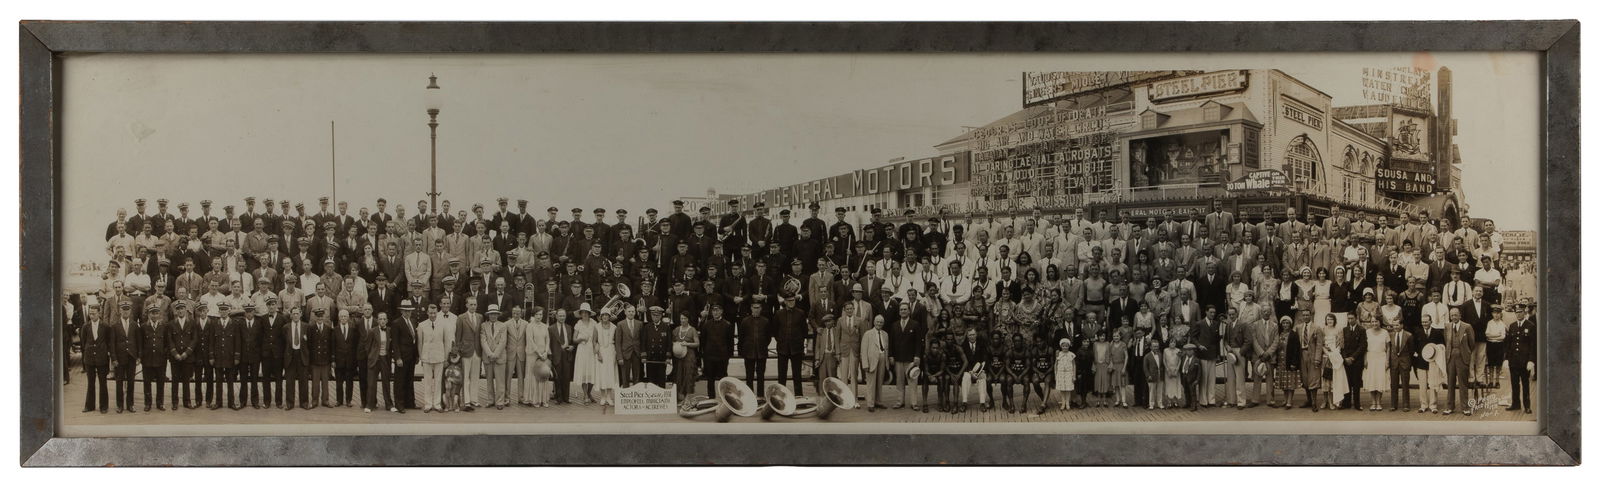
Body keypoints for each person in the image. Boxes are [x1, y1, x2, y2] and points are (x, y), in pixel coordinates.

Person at [416, 303, 452, 412]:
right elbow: (420, 343)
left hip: (439, 357)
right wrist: (422, 357)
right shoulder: (422, 325)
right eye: (430, 313)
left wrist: (445, 357)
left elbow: (446, 342)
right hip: (427, 357)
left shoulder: (443, 325)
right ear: (427, 313)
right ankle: (428, 404)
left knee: (438, 381)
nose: (432, 315)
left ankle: (437, 404)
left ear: (437, 313)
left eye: (434, 313)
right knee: (427, 381)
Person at [1444, 308, 1477, 416]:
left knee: (1463, 384)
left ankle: (1465, 407)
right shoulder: (1447, 326)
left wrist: (1465, 353)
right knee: (1450, 383)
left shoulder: (1467, 327)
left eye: (1456, 315)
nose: (1453, 317)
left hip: (1462, 357)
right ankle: (1450, 407)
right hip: (1450, 357)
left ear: (1460, 315)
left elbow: (1472, 344)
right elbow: (1446, 341)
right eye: (1452, 315)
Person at [1504, 302, 1536, 413]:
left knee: (1525, 384)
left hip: (1524, 361)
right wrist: (1506, 358)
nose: (1518, 314)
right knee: (1514, 384)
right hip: (1514, 361)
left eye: (1520, 312)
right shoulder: (1512, 326)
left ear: (1524, 312)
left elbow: (1533, 345)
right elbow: (1509, 344)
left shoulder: (1530, 326)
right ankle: (1515, 404)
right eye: (1516, 312)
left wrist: (1531, 360)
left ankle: (1527, 406)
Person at [81, 299, 112, 413]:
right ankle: (89, 406)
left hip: (102, 359)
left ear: (99, 313)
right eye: (90, 313)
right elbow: (83, 342)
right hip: (89, 359)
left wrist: (105, 353)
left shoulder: (105, 326)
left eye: (94, 313)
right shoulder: (85, 326)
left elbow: (108, 342)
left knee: (103, 383)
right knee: (90, 383)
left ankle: (104, 406)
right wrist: (89, 351)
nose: (91, 315)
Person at [138, 303, 170, 411]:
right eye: (152, 313)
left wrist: (165, 355)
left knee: (160, 382)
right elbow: (140, 344)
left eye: (156, 313)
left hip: (160, 360)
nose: (154, 315)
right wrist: (141, 357)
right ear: (148, 314)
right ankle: (148, 403)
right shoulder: (143, 327)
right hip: (147, 360)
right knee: (147, 382)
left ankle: (160, 403)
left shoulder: (163, 326)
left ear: (159, 314)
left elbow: (167, 343)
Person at [520, 306, 551, 407]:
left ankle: (543, 400)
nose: (539, 316)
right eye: (537, 314)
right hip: (533, 355)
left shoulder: (545, 326)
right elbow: (531, 341)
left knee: (543, 374)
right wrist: (539, 353)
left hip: (543, 355)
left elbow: (547, 340)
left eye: (541, 314)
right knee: (534, 376)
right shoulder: (530, 326)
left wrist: (546, 352)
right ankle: (534, 400)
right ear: (533, 315)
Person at [860, 315, 890, 412]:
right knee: (871, 383)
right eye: (877, 322)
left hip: (882, 359)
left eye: (881, 322)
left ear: (883, 323)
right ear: (874, 322)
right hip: (871, 360)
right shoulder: (868, 334)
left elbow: (887, 349)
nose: (879, 324)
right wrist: (865, 364)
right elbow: (863, 350)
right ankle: (870, 403)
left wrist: (886, 363)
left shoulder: (885, 334)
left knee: (879, 382)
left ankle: (878, 401)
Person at [480, 304, 508, 408]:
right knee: (489, 380)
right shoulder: (483, 325)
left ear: (498, 315)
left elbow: (503, 341)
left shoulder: (503, 326)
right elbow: (483, 341)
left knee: (500, 381)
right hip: (488, 357)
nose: (493, 316)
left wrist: (495, 354)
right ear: (488, 315)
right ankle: (490, 400)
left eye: (495, 314)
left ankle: (500, 401)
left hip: (499, 357)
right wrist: (490, 354)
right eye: (491, 314)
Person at [549, 308, 576, 404]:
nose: (562, 318)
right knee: (558, 377)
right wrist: (550, 358)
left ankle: (566, 398)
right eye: (560, 316)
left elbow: (572, 341)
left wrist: (572, 346)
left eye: (563, 316)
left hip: (567, 355)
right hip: (556, 355)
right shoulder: (551, 328)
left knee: (567, 377)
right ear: (556, 316)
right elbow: (549, 344)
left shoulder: (569, 327)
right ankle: (559, 398)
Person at [671, 313, 699, 401]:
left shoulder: (692, 330)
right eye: (681, 318)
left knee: (688, 375)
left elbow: (697, 343)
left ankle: (687, 397)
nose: (683, 320)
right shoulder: (676, 329)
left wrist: (687, 344)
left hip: (689, 355)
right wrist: (675, 345)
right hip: (678, 355)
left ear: (688, 319)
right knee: (679, 374)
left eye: (685, 318)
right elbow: (671, 341)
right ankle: (679, 396)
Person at [594, 310, 620, 408]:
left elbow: (617, 342)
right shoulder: (596, 326)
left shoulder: (614, 327)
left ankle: (609, 397)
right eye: (603, 315)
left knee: (610, 373)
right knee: (601, 373)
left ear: (609, 316)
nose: (605, 317)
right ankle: (602, 397)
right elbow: (594, 341)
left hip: (611, 352)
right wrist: (598, 354)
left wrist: (617, 354)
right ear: (601, 316)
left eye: (607, 315)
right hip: (601, 351)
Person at [1054, 338, 1077, 411]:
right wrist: (1055, 374)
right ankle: (1063, 403)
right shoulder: (1059, 354)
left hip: (1068, 373)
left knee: (1068, 389)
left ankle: (1067, 403)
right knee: (1062, 389)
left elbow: (1074, 365)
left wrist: (1074, 375)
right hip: (1060, 373)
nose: (1065, 347)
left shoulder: (1071, 354)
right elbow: (1056, 364)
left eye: (1066, 346)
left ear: (1069, 346)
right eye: (1063, 346)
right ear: (1061, 346)